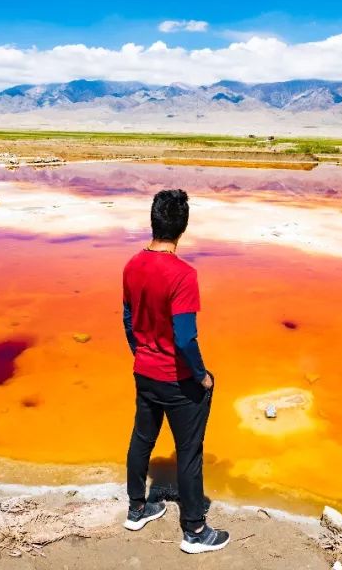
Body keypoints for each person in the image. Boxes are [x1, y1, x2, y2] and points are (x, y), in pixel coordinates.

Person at [121, 189, 230, 554]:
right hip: (177, 380)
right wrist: (201, 375)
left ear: (153, 221)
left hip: (145, 372)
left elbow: (127, 318)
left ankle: (137, 509)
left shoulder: (132, 265)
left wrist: (141, 353)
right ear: (182, 227)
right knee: (189, 451)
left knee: (142, 439)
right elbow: (185, 337)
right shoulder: (183, 275)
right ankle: (195, 530)